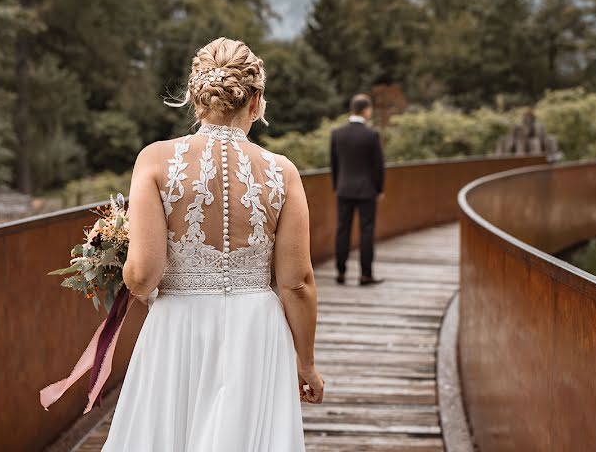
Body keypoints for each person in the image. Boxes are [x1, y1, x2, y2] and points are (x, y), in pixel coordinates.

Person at [102, 38, 324, 452]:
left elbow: (144, 275)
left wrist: (118, 256)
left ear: (194, 96)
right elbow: (297, 282)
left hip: (178, 328)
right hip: (256, 330)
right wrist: (306, 362)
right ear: (256, 100)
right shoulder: (283, 171)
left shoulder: (154, 160)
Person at [330, 94, 385, 286]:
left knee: (342, 230)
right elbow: (378, 166)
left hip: (343, 189)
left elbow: (334, 164)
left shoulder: (337, 134)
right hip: (366, 190)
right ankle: (365, 274)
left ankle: (341, 272)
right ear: (366, 110)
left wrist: (337, 186)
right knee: (366, 232)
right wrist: (379, 189)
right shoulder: (371, 135)